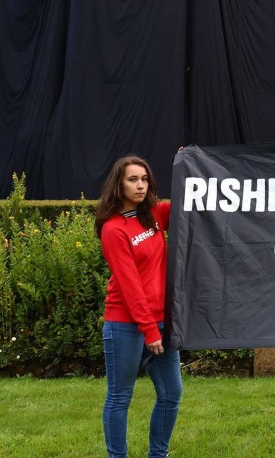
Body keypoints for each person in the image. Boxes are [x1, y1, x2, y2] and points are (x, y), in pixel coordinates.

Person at [96, 155, 181, 458]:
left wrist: (188, 164)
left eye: (144, 179)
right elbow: (130, 286)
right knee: (120, 396)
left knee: (172, 394)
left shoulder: (154, 215)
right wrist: (148, 330)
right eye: (133, 179)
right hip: (125, 325)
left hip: (160, 321)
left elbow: (189, 203)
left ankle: (158, 455)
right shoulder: (113, 229)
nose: (141, 185)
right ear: (118, 184)